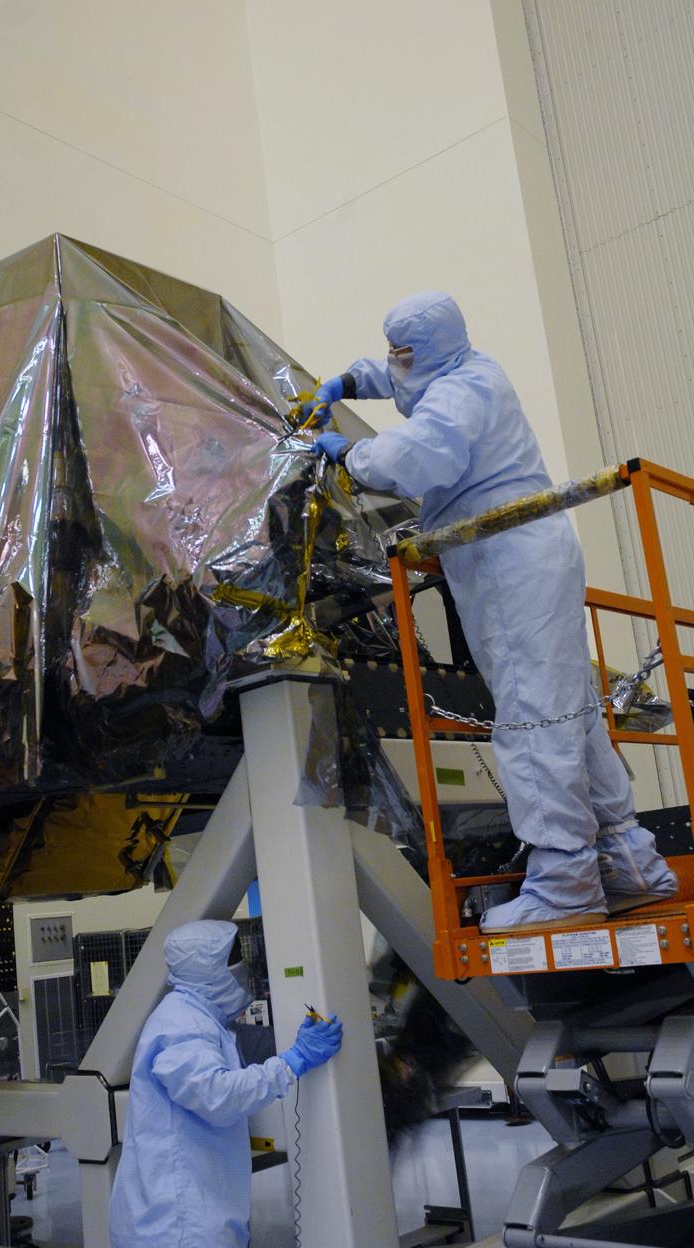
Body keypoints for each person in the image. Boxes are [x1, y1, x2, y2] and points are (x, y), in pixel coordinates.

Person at [309, 290, 677, 931]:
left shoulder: (458, 396)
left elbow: (414, 456)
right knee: (572, 710)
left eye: (402, 353)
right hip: (529, 550)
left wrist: (347, 452)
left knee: (533, 716)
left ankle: (565, 883)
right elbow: (396, 376)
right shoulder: (463, 367)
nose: (394, 363)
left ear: (427, 350)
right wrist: (345, 380)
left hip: (508, 560)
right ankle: (629, 861)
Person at [109, 919, 342, 1247]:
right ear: (208, 969)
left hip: (189, 1212)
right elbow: (219, 1096)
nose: (244, 969)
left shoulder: (196, 1017)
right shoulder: (181, 1023)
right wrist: (292, 1063)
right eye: (234, 960)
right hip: (178, 1224)